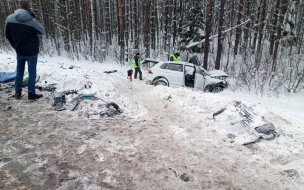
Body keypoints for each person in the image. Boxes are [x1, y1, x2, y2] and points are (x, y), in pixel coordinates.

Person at [5, 0, 45, 100]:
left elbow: (7, 35)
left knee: (19, 71)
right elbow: (42, 30)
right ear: (28, 8)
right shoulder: (31, 21)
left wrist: (15, 45)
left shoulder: (9, 19)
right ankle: (31, 94)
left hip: (19, 49)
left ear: (18, 7)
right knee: (32, 72)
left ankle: (17, 92)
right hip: (31, 50)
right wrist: (32, 16)